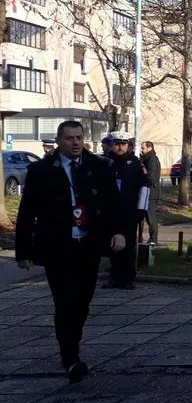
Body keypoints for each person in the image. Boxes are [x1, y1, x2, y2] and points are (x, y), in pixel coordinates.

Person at [14, 121, 128, 383]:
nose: (75, 143)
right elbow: (27, 212)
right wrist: (23, 251)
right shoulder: (41, 171)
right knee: (64, 302)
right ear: (59, 141)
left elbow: (114, 203)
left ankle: (72, 342)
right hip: (57, 246)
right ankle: (70, 358)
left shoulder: (98, 167)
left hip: (88, 244)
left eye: (79, 137)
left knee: (82, 302)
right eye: (69, 138)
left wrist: (119, 232)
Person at [103, 131, 149, 290]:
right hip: (110, 212)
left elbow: (145, 187)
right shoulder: (106, 163)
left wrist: (141, 210)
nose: (120, 147)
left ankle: (128, 278)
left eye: (123, 144)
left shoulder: (135, 164)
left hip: (129, 211)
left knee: (128, 245)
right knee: (112, 244)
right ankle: (114, 276)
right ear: (111, 145)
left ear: (128, 146)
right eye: (117, 144)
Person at [139, 141, 161, 243]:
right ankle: (146, 238)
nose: (141, 150)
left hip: (151, 191)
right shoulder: (146, 159)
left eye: (143, 148)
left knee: (150, 216)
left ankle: (153, 239)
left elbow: (151, 176)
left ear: (149, 148)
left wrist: (142, 177)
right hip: (147, 190)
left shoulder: (152, 159)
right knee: (145, 216)